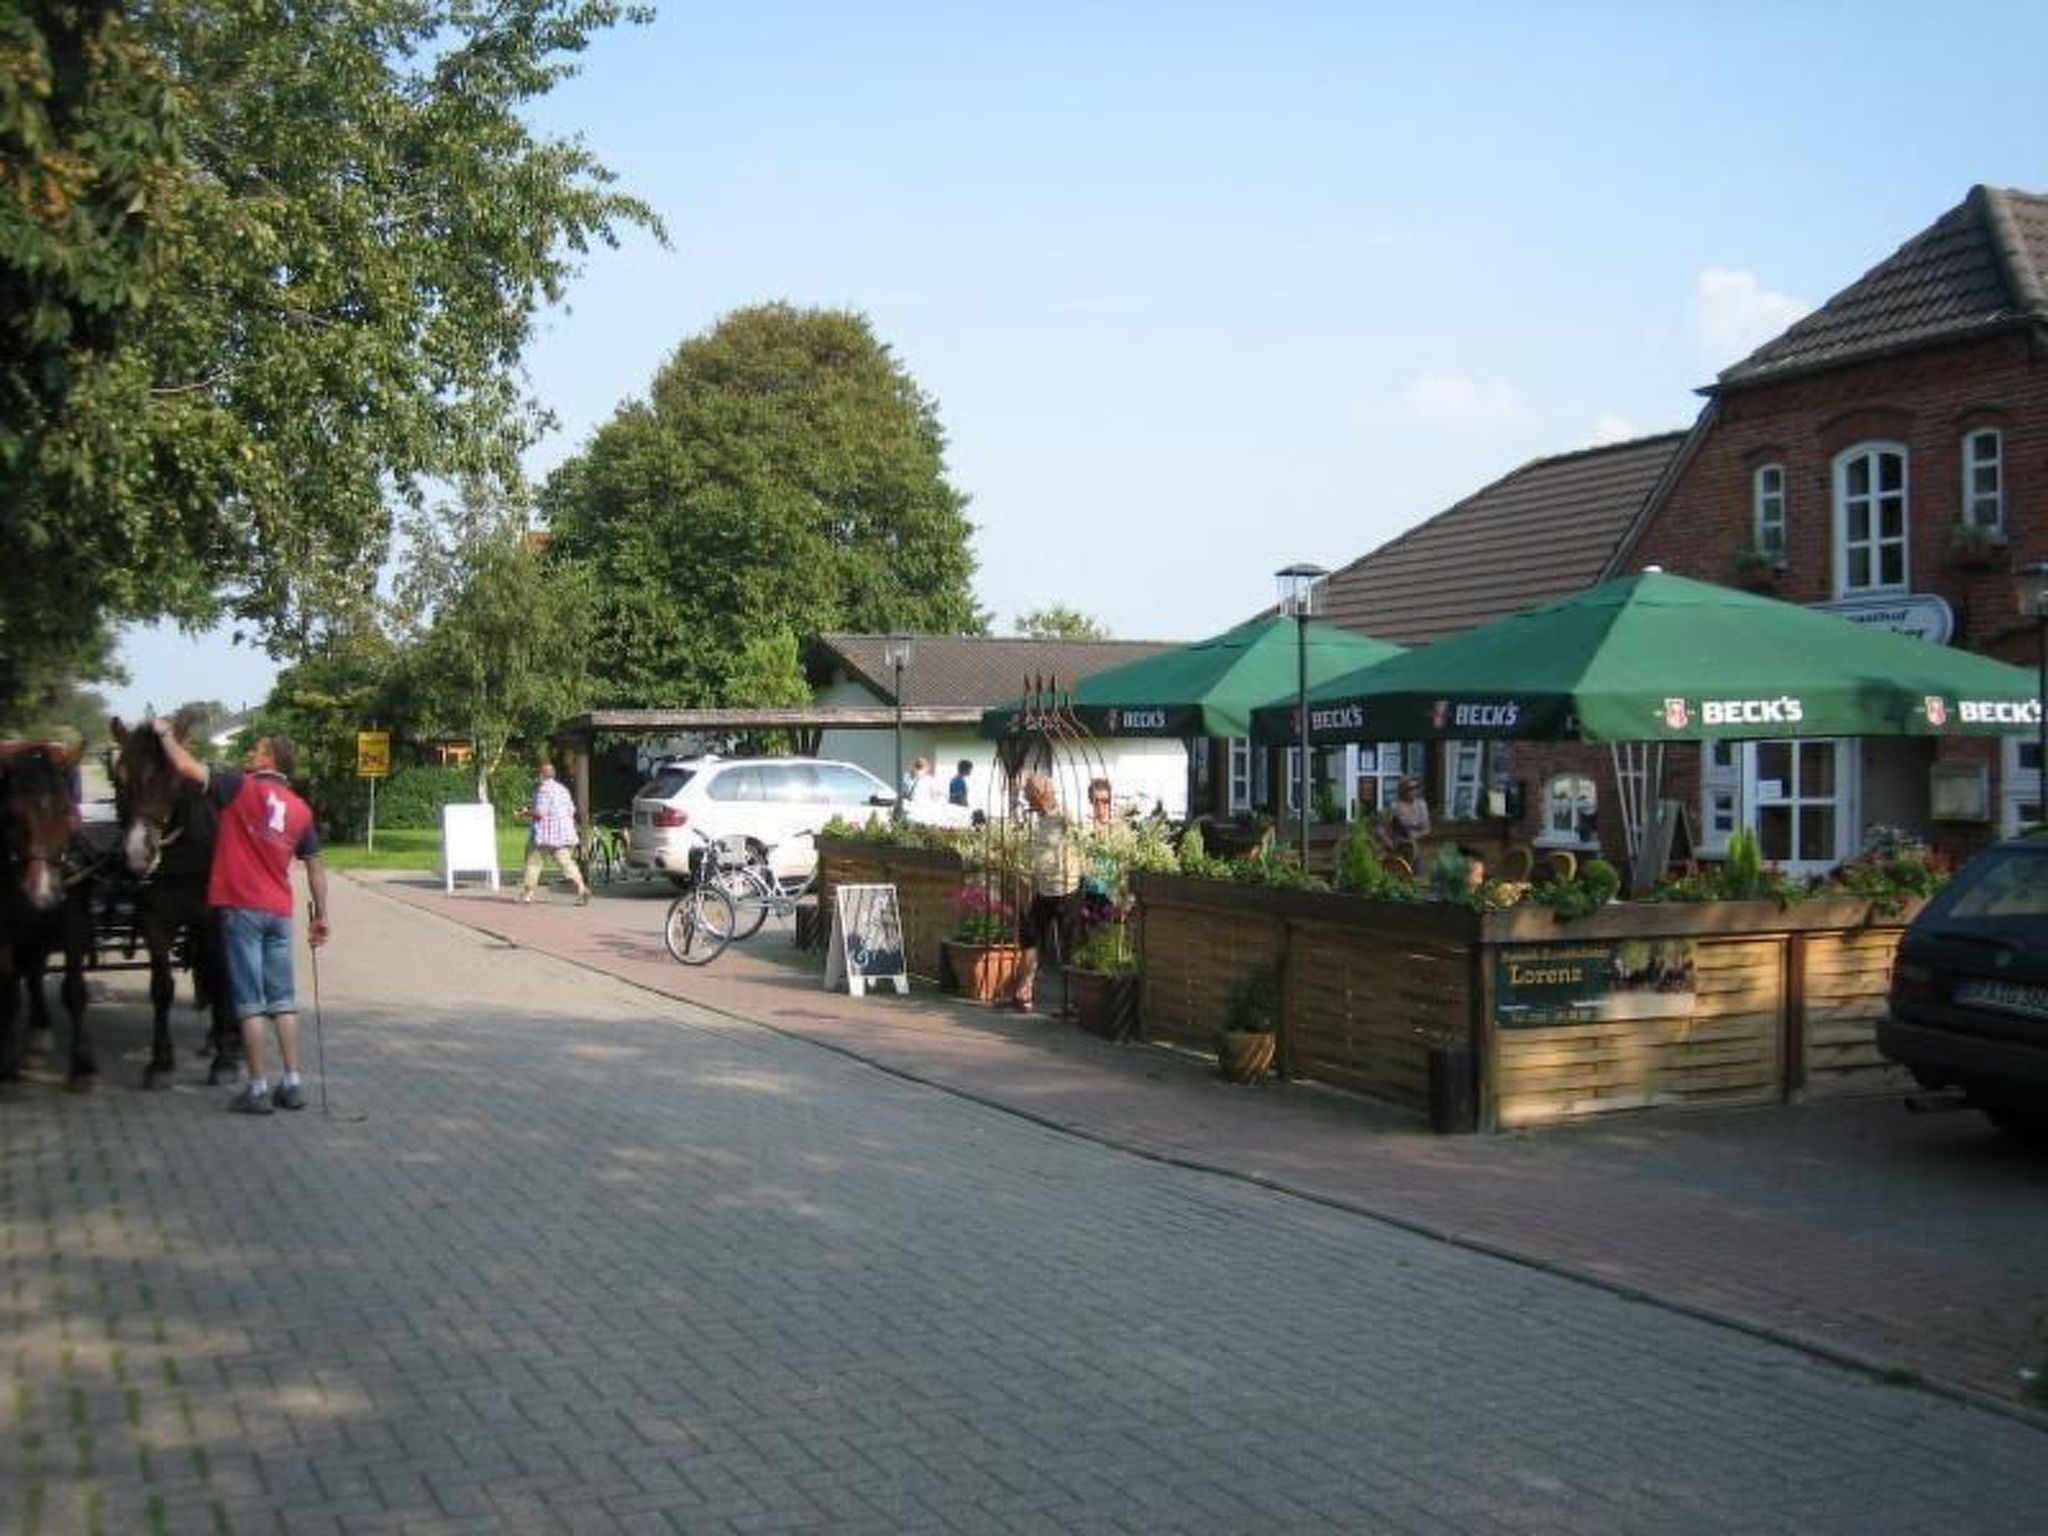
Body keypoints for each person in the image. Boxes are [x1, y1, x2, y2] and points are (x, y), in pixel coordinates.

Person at [152, 721, 329, 1115]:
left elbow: (183, 766)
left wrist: (163, 734)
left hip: (242, 911)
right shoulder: (300, 809)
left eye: (257, 748)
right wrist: (321, 917)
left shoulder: (238, 788)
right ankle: (294, 1084)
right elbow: (316, 868)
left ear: (270, 759)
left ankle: (258, 1088)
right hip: (279, 913)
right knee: (282, 1001)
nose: (250, 752)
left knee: (249, 1003)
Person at [1010, 773, 1082, 1013]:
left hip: (1067, 888)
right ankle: (1025, 990)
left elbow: (1084, 843)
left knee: (1070, 943)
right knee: (1030, 936)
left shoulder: (1065, 817)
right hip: (1043, 889)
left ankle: (1075, 1000)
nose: (1028, 801)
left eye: (1030, 796)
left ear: (1042, 795)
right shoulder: (1038, 820)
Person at [520, 761, 591, 906]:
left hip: (544, 836)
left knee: (533, 863)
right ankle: (581, 888)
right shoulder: (563, 789)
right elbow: (572, 810)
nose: (537, 777)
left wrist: (525, 812)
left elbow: (540, 812)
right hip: (563, 834)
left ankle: (528, 894)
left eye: (539, 774)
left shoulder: (543, 790)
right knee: (567, 863)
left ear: (542, 775)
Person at [1376, 774, 1431, 855]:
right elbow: (1380, 829)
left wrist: (1414, 836)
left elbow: (1427, 829)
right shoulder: (1395, 806)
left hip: (1417, 845)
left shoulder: (1421, 805)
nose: (1413, 791)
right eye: (1410, 788)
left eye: (1416, 787)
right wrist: (1389, 843)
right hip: (1398, 845)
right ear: (1402, 789)